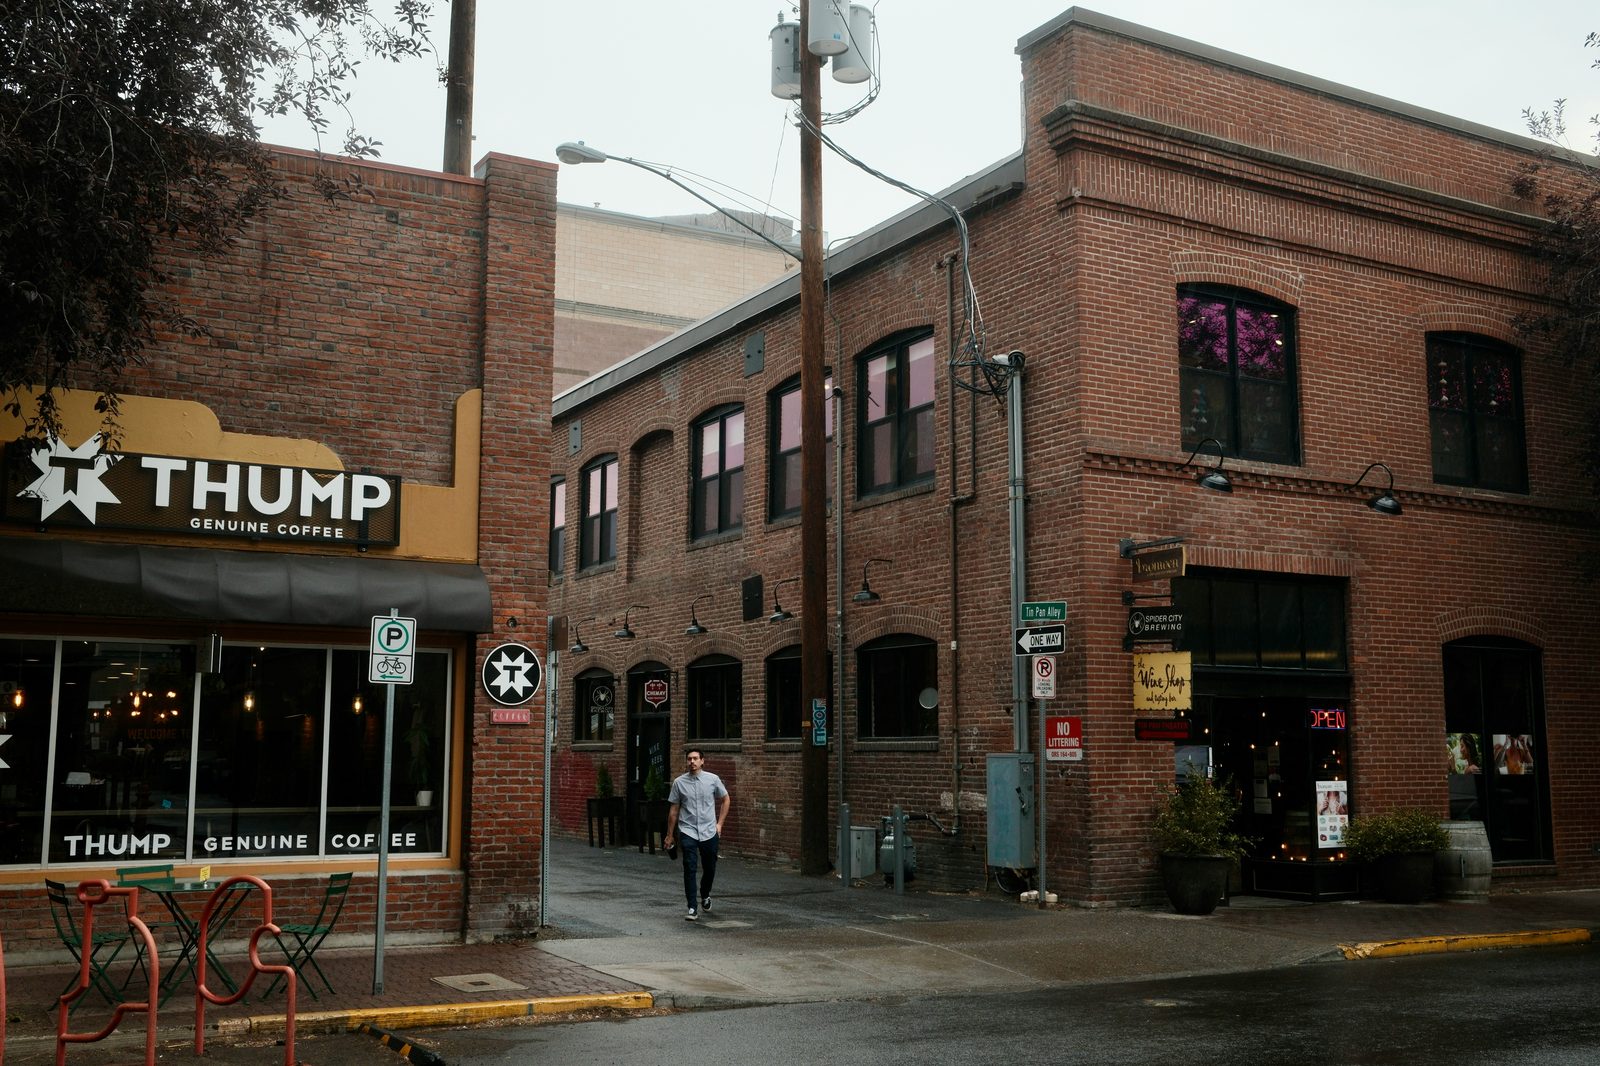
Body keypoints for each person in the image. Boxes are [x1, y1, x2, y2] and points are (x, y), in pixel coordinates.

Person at [663, 747, 729, 921]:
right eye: (689, 759)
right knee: (689, 867)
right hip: (688, 830)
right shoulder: (679, 783)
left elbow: (725, 799)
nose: (692, 762)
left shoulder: (713, 780)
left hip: (709, 831)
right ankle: (692, 907)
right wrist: (670, 835)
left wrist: (720, 824)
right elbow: (674, 811)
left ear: (702, 761)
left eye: (695, 759)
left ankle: (705, 894)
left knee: (710, 867)